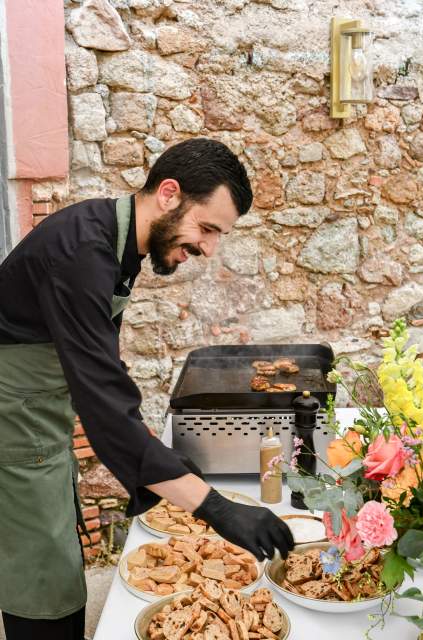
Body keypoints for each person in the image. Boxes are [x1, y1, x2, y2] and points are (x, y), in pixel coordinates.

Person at [0, 138, 294, 640]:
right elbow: (107, 412)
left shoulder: (114, 239)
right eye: (206, 228)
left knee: (53, 550)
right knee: (40, 576)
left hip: (37, 413)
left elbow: (101, 373)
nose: (207, 248)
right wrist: (214, 507)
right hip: (13, 423)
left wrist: (172, 473)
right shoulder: (80, 254)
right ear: (169, 193)